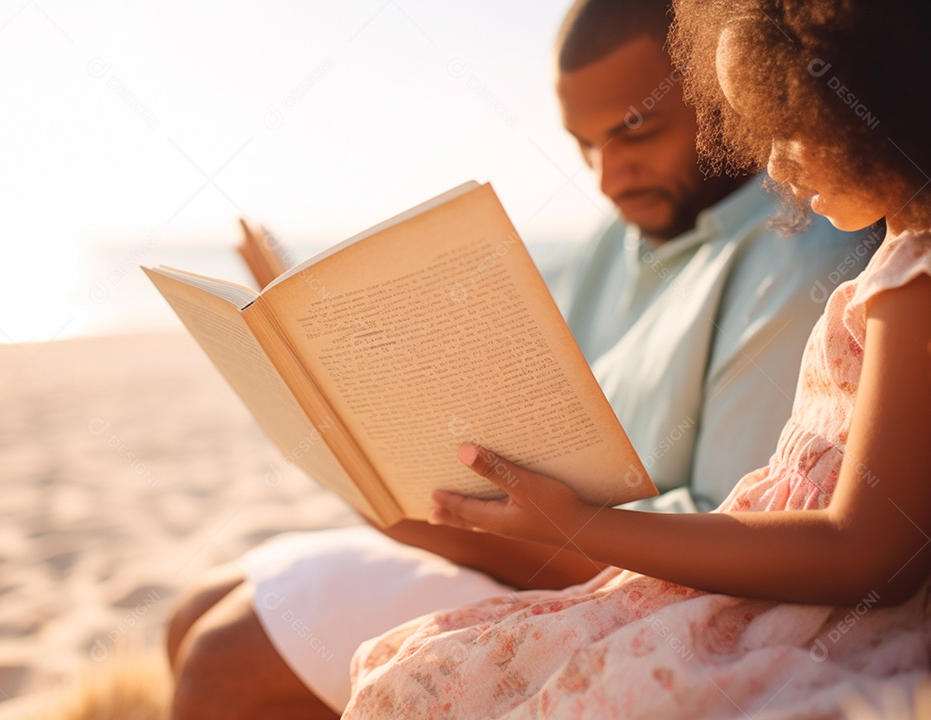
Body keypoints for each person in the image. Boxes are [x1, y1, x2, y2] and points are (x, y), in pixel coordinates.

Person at [165, 1, 877, 717]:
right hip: (518, 547)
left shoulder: (799, 260)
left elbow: (734, 543)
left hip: (621, 587)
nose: (609, 178)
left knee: (221, 662)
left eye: (636, 130)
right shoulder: (620, 238)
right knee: (189, 614)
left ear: (725, 93)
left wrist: (438, 526)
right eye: (585, 146)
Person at [344, 0, 931, 717]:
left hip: (805, 616)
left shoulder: (913, 279)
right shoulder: (898, 264)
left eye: (795, 127)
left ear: (881, 102)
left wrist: (580, 523)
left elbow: (868, 553)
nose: (773, 164)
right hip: (757, 588)